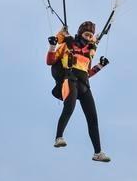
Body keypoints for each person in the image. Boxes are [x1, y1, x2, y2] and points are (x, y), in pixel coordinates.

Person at [46, 21, 111, 162]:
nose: (89, 37)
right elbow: (50, 61)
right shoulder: (67, 45)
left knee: (93, 118)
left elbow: (87, 72)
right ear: (80, 34)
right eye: (86, 34)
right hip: (70, 80)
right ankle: (59, 137)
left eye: (90, 35)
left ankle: (97, 152)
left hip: (84, 85)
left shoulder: (90, 51)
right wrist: (52, 46)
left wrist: (100, 66)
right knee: (69, 108)